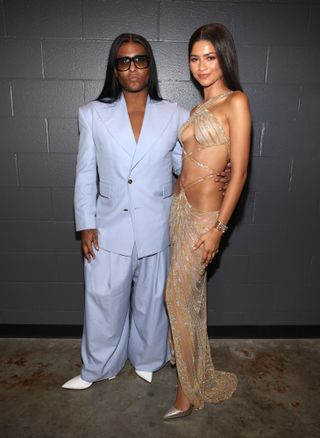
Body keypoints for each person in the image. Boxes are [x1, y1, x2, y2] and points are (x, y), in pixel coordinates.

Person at [62, 33, 189, 389]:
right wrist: (86, 224)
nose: (132, 68)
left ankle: (148, 359)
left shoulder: (175, 113)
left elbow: (182, 166)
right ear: (115, 69)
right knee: (103, 301)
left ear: (150, 64)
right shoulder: (92, 114)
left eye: (140, 60)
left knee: (152, 301)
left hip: (156, 224)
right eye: (124, 61)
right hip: (108, 225)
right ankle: (100, 367)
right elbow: (86, 172)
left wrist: (213, 172)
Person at [164, 23, 251, 419]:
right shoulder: (198, 108)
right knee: (191, 302)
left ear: (224, 57)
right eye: (195, 58)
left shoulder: (236, 102)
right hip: (180, 212)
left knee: (176, 298)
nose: (201, 66)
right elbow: (188, 163)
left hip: (205, 220)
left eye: (210, 57)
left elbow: (241, 173)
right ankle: (190, 368)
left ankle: (188, 387)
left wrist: (218, 229)